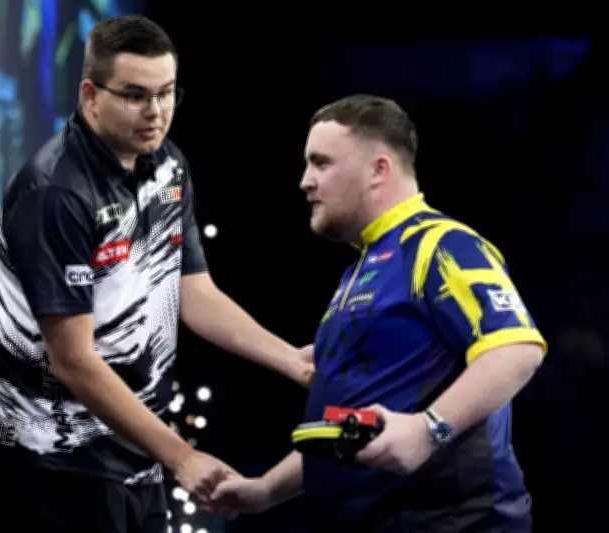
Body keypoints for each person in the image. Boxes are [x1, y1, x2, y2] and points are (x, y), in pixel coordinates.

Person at [0, 15, 313, 533]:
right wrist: (183, 456)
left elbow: (194, 293)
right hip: (59, 466)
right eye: (135, 95)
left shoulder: (168, 165)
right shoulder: (55, 193)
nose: (156, 112)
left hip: (139, 459)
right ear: (90, 95)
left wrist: (292, 360)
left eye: (166, 93)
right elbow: (72, 360)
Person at [211, 94, 547, 533]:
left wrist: (429, 429)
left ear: (379, 169)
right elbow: (351, 430)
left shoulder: (441, 244)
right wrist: (265, 490)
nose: (305, 181)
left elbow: (517, 349)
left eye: (321, 163)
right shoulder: (359, 272)